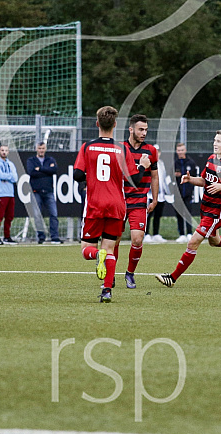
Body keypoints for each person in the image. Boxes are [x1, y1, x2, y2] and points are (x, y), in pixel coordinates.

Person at [156, 130, 221, 287]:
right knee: (215, 241)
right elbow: (204, 181)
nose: (214, 143)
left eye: (219, 141)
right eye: (214, 140)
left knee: (192, 243)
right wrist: (190, 179)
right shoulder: (210, 159)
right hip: (205, 207)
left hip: (216, 211)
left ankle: (172, 278)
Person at [73, 106, 150, 302]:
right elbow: (136, 178)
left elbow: (77, 175)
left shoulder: (87, 147)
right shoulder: (121, 148)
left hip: (95, 204)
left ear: (97, 123)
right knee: (110, 248)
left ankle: (96, 255)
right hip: (117, 205)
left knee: (86, 249)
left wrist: (90, 173)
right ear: (115, 125)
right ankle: (107, 291)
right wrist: (143, 165)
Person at [117, 114, 159, 288]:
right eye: (141, 129)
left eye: (146, 130)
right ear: (131, 129)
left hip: (140, 201)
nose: (144, 133)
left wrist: (155, 199)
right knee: (115, 239)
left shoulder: (151, 150)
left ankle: (130, 273)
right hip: (119, 200)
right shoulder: (119, 148)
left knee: (137, 239)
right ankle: (110, 273)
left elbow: (155, 176)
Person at [27, 142, 62, 244]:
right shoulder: (31, 160)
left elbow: (54, 169)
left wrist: (40, 169)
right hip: (36, 191)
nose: (41, 150)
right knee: (37, 215)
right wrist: (47, 171)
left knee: (54, 214)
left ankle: (55, 237)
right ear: (36, 149)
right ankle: (41, 237)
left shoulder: (50, 159)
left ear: (45, 149)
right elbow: (32, 172)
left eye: (43, 148)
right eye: (39, 148)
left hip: (49, 191)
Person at [0, 144, 18, 245]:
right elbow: (1, 175)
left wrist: (8, 177)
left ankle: (7, 236)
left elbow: (15, 178)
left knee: (9, 216)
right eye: (2, 150)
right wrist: (9, 177)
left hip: (10, 193)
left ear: (8, 152)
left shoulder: (11, 164)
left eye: (6, 150)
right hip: (1, 193)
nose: (4, 152)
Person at [173, 142, 198, 243]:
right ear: (176, 151)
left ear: (185, 151)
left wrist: (190, 189)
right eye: (178, 150)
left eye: (182, 150)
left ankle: (189, 233)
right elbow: (170, 178)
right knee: (179, 213)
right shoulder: (175, 163)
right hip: (177, 193)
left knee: (188, 213)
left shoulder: (191, 163)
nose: (180, 152)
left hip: (188, 193)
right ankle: (181, 234)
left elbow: (195, 177)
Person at [145, 145, 170, 244]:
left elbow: (163, 179)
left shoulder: (162, 164)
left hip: (161, 195)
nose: (157, 154)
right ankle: (146, 234)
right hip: (150, 195)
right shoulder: (149, 163)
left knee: (157, 215)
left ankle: (156, 234)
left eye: (158, 152)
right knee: (148, 215)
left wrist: (166, 192)